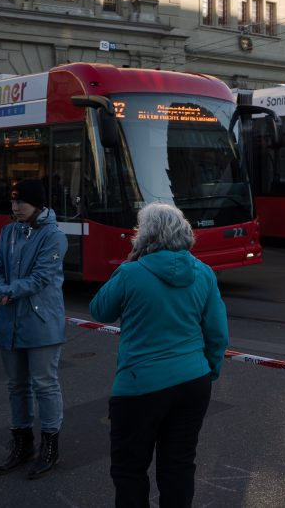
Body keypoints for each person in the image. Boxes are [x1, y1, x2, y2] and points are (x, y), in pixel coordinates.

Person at [89, 202, 228, 508]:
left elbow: (99, 310)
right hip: (193, 381)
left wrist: (127, 265)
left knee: (129, 469)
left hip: (140, 386)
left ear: (144, 235)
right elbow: (217, 333)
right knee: (178, 464)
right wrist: (209, 369)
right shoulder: (203, 273)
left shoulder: (131, 272)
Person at [0, 178, 68, 479]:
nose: (15, 207)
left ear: (37, 204)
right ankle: (22, 443)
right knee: (16, 385)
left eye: (21, 202)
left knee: (44, 384)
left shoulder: (54, 236)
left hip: (41, 322)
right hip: (10, 320)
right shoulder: (8, 232)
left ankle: (50, 445)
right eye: (13, 202)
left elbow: (40, 279)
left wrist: (3, 292)